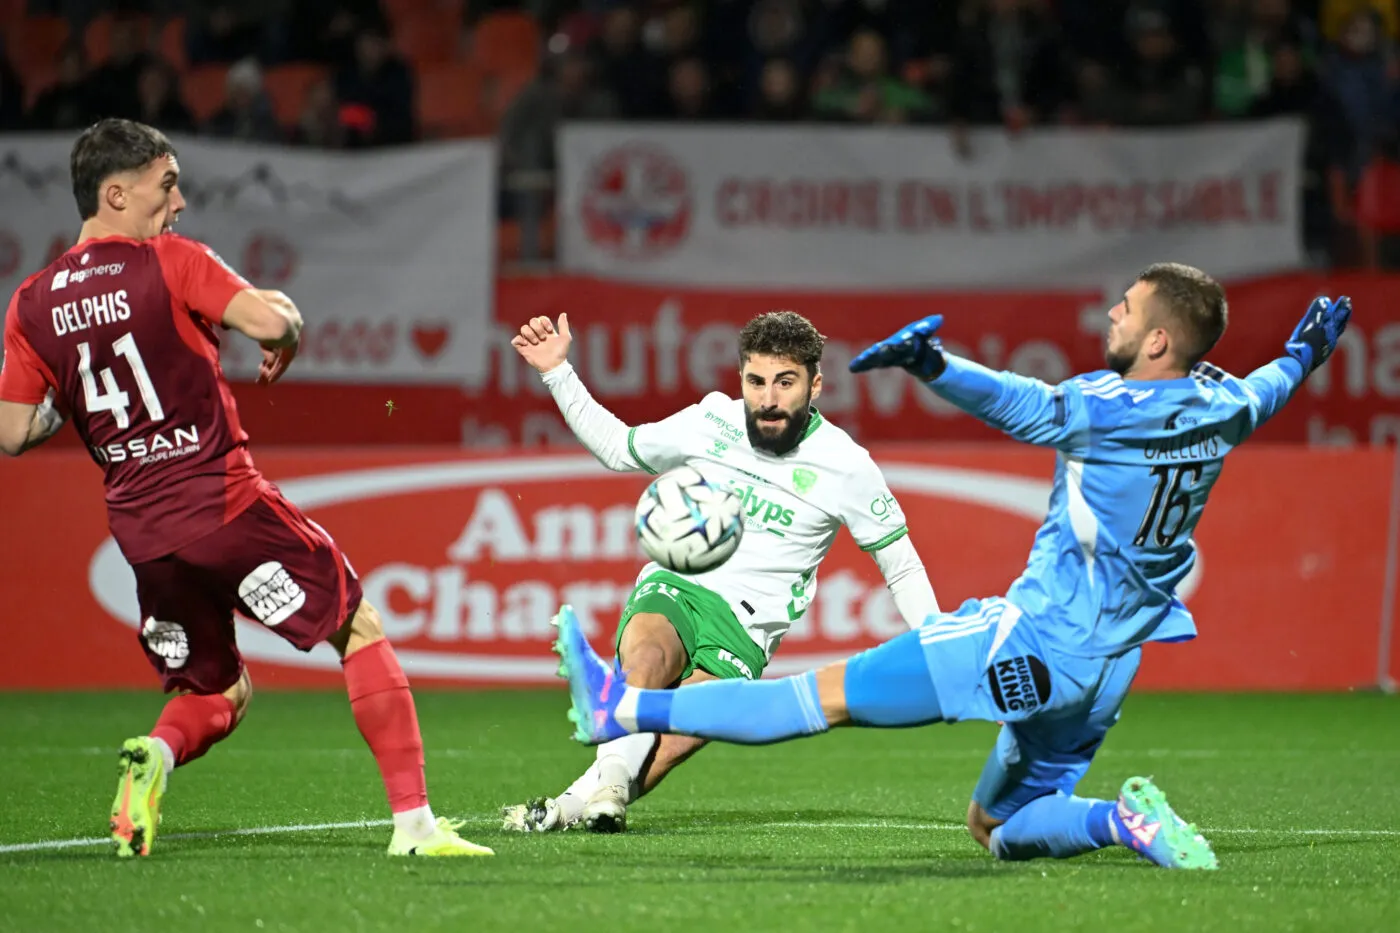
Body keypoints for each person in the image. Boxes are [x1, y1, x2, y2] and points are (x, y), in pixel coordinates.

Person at [553, 263, 1354, 869]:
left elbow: (1023, 405)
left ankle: (620, 709)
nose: (1111, 313)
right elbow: (1272, 387)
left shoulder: (1109, 411)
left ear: (1155, 340)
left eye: (1127, 308)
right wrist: (1307, 350)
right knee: (998, 827)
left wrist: (933, 364)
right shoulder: (1227, 407)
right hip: (1112, 665)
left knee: (811, 700)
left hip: (1027, 639)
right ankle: (1122, 820)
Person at [0, 118, 492, 860]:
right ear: (116, 192)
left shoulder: (32, 303)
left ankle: (155, 758)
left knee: (215, 692)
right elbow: (272, 318)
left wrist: (72, 397)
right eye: (166, 185)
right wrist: (283, 332)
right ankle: (416, 827)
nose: (182, 201)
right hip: (223, 503)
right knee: (355, 627)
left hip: (141, 535)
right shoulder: (171, 260)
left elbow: (12, 432)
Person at [503, 310, 941, 833]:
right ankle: (606, 786)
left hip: (747, 626)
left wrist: (939, 645)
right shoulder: (710, 420)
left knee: (669, 745)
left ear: (815, 384)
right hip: (679, 584)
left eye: (785, 382)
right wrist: (557, 371)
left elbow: (902, 566)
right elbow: (619, 449)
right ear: (741, 380)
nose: (769, 398)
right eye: (756, 381)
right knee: (647, 658)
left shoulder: (847, 465)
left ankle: (570, 807)